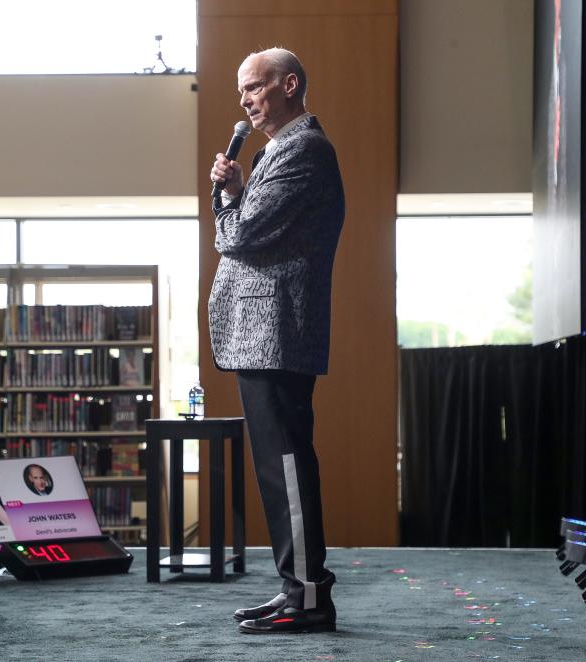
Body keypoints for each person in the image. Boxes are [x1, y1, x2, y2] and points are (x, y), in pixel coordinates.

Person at [208, 47, 344, 634]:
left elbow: (238, 237)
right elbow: (252, 227)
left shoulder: (304, 150)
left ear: (289, 85)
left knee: (286, 465)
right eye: (241, 91)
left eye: (255, 87)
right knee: (276, 467)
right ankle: (295, 587)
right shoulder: (275, 153)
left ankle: (310, 596)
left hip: (277, 332)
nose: (244, 100)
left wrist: (228, 201)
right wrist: (238, 189)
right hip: (262, 335)